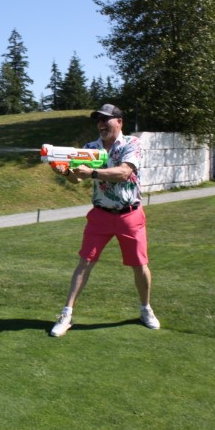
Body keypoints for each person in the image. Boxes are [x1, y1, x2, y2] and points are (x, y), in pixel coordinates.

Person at [50, 103, 160, 337]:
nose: (101, 124)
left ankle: (145, 309)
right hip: (100, 215)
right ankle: (66, 314)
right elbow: (76, 179)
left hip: (130, 215)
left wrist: (92, 173)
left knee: (139, 265)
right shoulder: (90, 148)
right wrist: (66, 172)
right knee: (85, 263)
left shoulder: (131, 144)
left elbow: (124, 172)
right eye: (98, 120)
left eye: (105, 119)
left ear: (119, 122)